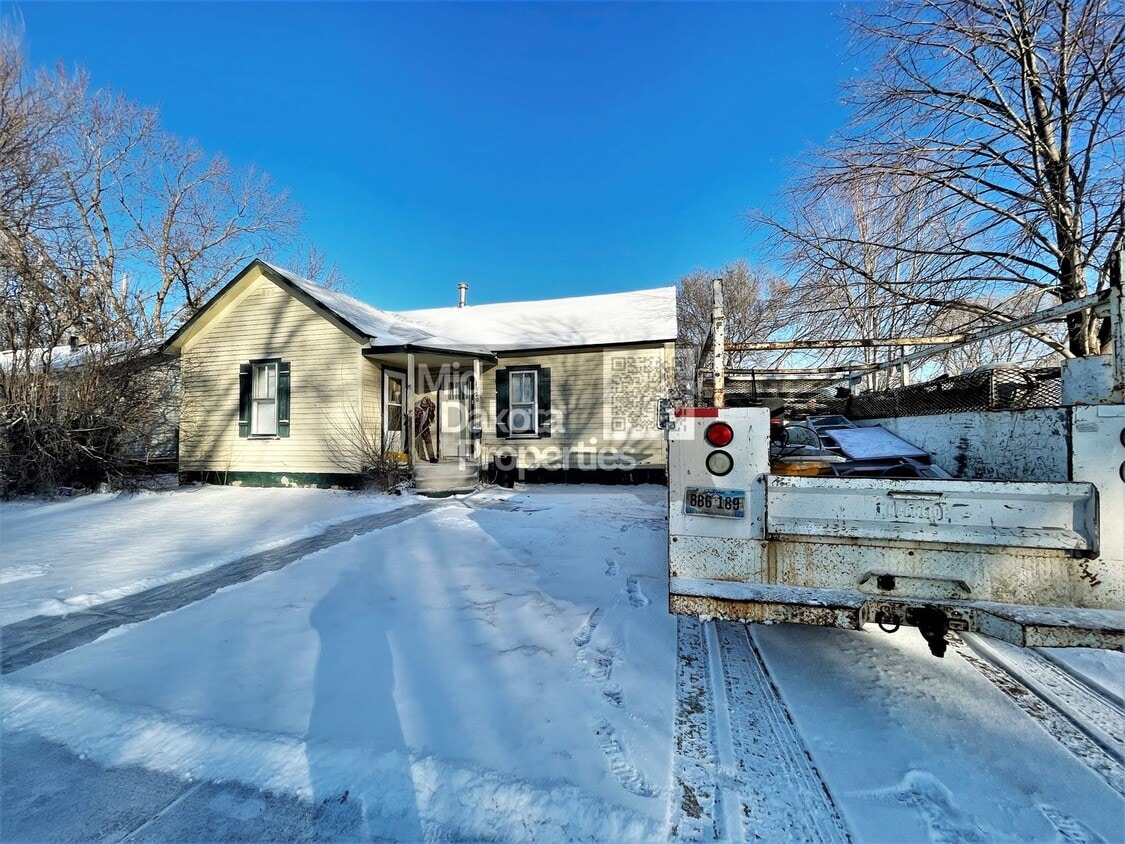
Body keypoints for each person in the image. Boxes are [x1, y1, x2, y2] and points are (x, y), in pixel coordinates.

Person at [413, 395, 438, 463]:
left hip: (425, 425)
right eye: (422, 403)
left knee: (428, 440)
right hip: (416, 426)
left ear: (428, 404)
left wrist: (431, 419)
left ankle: (432, 458)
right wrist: (417, 431)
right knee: (417, 441)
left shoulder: (431, 406)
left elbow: (431, 414)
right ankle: (422, 457)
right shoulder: (416, 409)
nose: (422, 405)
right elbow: (415, 421)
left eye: (424, 404)